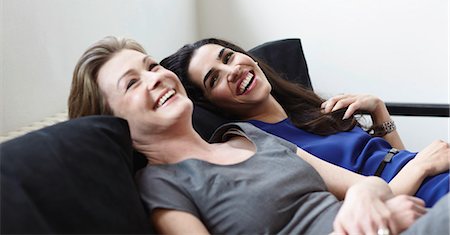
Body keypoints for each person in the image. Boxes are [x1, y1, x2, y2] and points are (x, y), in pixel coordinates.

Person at [67, 36, 449, 235]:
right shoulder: (160, 185)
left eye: (150, 66)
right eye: (132, 83)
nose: (155, 78)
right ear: (112, 120)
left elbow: (367, 186)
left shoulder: (249, 135)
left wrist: (367, 201)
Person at [161, 38, 450, 207]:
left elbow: (392, 159)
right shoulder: (260, 143)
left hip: (427, 176)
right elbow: (373, 197)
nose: (232, 70)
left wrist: (379, 112)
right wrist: (422, 165)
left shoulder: (307, 107)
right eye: (215, 79)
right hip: (414, 199)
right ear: (212, 104)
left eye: (228, 57)